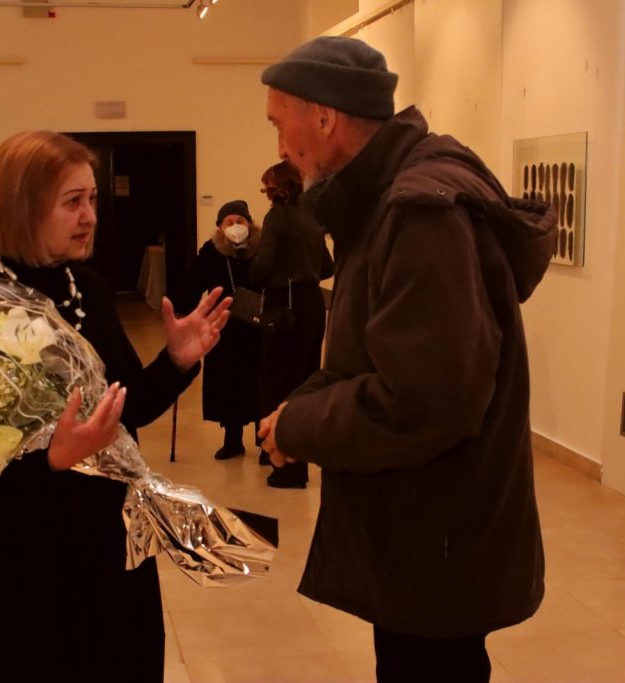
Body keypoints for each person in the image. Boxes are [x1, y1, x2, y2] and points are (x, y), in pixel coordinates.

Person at [256, 36, 554, 681]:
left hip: (437, 537)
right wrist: (296, 411)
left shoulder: (419, 213)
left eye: (280, 124)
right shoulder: (381, 202)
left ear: (325, 118)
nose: (279, 146)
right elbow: (368, 352)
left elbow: (424, 402)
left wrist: (301, 426)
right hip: (421, 531)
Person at [0, 130, 230, 682]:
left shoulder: (88, 287)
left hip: (106, 528)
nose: (89, 217)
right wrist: (51, 460)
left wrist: (176, 362)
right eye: (72, 202)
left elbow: (126, 411)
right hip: (20, 543)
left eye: (92, 199)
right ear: (23, 207)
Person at [250, 161, 333, 486]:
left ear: (278, 188)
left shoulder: (278, 217)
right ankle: (293, 455)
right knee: (304, 382)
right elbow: (327, 267)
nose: (265, 192)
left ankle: (286, 466)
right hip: (312, 304)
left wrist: (256, 271)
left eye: (267, 186)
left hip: (283, 306)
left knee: (277, 382)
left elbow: (261, 267)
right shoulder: (310, 216)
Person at [183, 200, 262, 460]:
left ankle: (264, 440)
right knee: (229, 381)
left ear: (249, 223)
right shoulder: (211, 251)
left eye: (240, 221)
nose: (235, 226)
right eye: (229, 222)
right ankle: (232, 439)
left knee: (260, 380)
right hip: (223, 325)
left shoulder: (261, 248)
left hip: (258, 324)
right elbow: (194, 282)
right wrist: (183, 309)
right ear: (220, 226)